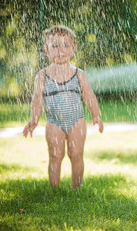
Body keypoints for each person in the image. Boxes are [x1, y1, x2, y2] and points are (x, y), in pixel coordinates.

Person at [23, 25, 103, 189]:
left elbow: (89, 95)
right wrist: (34, 120)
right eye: (55, 46)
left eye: (66, 45)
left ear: (73, 49)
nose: (61, 50)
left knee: (76, 154)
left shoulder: (78, 74)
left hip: (77, 121)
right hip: (54, 122)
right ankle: (54, 189)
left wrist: (96, 115)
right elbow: (37, 100)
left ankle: (77, 187)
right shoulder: (42, 76)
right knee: (55, 155)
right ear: (46, 49)